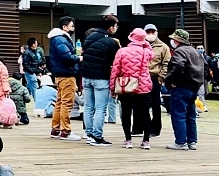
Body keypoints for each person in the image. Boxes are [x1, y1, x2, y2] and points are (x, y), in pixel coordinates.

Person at [109, 28, 154, 149]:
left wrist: (113, 87)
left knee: (126, 113)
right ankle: (146, 141)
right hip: (143, 85)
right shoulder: (146, 52)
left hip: (126, 86)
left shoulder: (122, 51)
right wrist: (145, 43)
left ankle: (128, 139)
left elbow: (115, 70)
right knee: (145, 113)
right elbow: (152, 53)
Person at [80, 14, 120, 146]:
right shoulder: (112, 43)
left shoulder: (89, 37)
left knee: (88, 106)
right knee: (101, 108)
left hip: (86, 75)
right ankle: (97, 136)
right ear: (111, 28)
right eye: (115, 26)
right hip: (101, 77)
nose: (116, 28)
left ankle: (88, 134)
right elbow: (115, 61)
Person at [164, 29, 205, 150]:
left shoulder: (179, 51)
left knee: (178, 114)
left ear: (177, 40)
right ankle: (192, 141)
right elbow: (205, 67)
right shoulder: (195, 51)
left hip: (182, 87)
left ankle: (180, 142)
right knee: (190, 115)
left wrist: (173, 81)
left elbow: (178, 66)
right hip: (194, 87)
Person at [47, 16, 83, 141]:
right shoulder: (61, 39)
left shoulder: (55, 39)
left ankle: (55, 129)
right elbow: (67, 57)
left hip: (59, 75)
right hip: (67, 74)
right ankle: (65, 131)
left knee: (60, 102)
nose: (73, 28)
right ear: (65, 27)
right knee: (66, 104)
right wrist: (78, 58)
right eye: (71, 26)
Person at [138, 24, 170, 138]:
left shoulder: (163, 47)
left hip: (154, 78)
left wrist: (161, 77)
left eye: (153, 32)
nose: (150, 34)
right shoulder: (140, 45)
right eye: (148, 32)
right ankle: (140, 127)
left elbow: (166, 63)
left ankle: (155, 129)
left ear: (156, 32)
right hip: (141, 78)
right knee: (140, 104)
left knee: (156, 104)